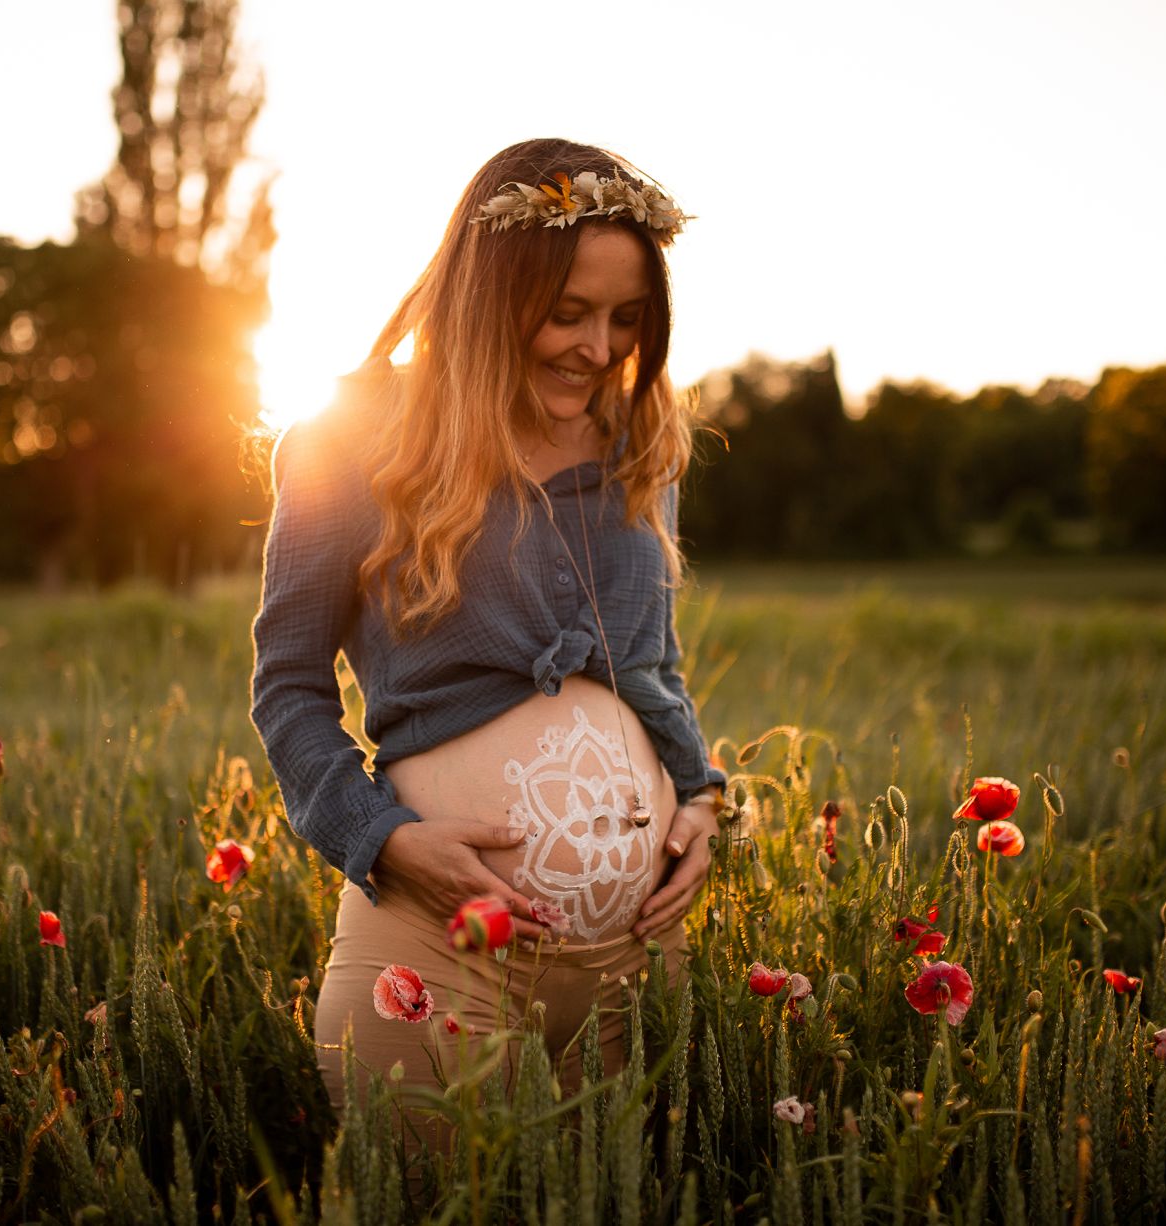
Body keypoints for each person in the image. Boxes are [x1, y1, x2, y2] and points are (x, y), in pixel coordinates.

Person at [248, 137, 726, 1160]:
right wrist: (379, 837)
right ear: (487, 291)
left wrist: (698, 796)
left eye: (625, 318)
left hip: (637, 952)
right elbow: (287, 688)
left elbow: (653, 669)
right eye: (568, 311)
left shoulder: (639, 441)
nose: (599, 348)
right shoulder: (353, 436)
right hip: (438, 940)